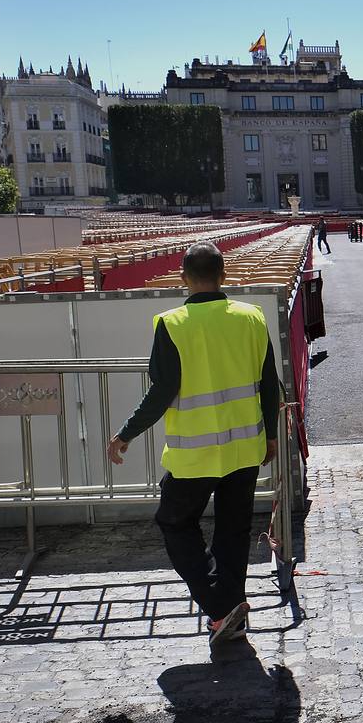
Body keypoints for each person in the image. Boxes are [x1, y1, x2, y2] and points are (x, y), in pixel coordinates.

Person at [106, 242, 279, 647]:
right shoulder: (251, 317)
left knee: (174, 522)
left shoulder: (172, 323)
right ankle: (230, 607)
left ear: (183, 278)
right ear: (224, 276)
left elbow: (163, 391)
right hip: (244, 447)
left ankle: (219, 607)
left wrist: (126, 433)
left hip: (194, 454)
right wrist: (269, 433)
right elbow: (269, 383)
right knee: (233, 530)